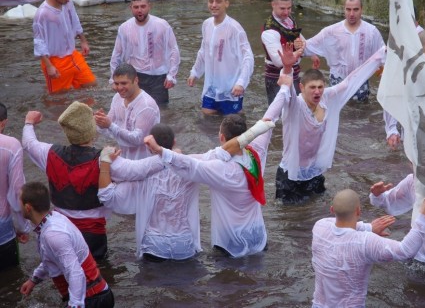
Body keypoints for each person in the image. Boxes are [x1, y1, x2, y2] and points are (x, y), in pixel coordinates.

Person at [142, 44, 300, 257]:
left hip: (230, 242)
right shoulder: (257, 150)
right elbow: (270, 116)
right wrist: (285, 78)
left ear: (222, 137)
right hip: (257, 236)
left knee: (229, 286)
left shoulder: (220, 169)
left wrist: (161, 152)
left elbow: (190, 166)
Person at [272, 45, 386, 204]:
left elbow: (349, 82)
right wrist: (287, 67)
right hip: (290, 172)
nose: (317, 92)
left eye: (320, 87)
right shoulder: (294, 105)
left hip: (315, 170)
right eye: (312, 87)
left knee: (317, 209)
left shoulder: (327, 97)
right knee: (291, 219)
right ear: (302, 87)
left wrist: (380, 55)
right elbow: (287, 87)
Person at [311, 189, 425, 307]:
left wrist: (369, 228)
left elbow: (336, 223)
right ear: (358, 211)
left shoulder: (319, 227)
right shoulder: (364, 242)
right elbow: (405, 251)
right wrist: (423, 217)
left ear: (332, 210)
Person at [97, 123, 202, 261]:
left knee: (150, 281)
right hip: (184, 244)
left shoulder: (142, 176)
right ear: (174, 142)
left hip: (154, 245)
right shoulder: (190, 169)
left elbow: (107, 196)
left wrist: (105, 164)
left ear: (148, 146)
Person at [22, 101, 111, 260]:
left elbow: (29, 143)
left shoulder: (50, 154)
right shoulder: (105, 160)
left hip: (61, 231)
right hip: (93, 235)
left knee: (65, 273)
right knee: (98, 274)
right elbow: (138, 171)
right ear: (92, 131)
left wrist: (29, 123)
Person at [19, 182, 114, 308]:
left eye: (18, 202)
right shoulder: (52, 220)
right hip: (94, 296)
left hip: (92, 300)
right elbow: (51, 257)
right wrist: (34, 279)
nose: (17, 206)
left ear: (28, 207)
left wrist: (74, 305)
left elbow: (75, 272)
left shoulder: (53, 234)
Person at [304, 0, 385, 102]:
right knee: (336, 112)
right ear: (344, 10)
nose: (351, 14)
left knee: (359, 113)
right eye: (348, 9)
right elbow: (307, 46)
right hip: (337, 80)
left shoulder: (372, 32)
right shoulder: (331, 31)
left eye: (355, 10)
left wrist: (385, 73)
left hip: (360, 81)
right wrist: (295, 43)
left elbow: (384, 55)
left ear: (361, 10)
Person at [188, 0, 254, 115]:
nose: (214, 5)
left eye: (218, 1)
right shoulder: (206, 25)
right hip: (211, 86)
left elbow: (248, 57)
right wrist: (195, 72)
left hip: (230, 86)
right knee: (207, 115)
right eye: (211, 1)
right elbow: (203, 51)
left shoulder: (235, 28)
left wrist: (241, 82)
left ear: (226, 3)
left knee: (233, 122)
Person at [110, 0, 181, 104]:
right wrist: (113, 79)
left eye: (143, 6)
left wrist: (171, 75)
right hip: (135, 76)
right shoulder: (125, 28)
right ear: (131, 8)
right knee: (133, 107)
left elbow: (174, 50)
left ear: (149, 6)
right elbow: (117, 54)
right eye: (136, 7)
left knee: (161, 112)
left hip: (158, 77)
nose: (139, 10)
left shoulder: (162, 25)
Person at [32, 0, 97, 94]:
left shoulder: (68, 3)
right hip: (55, 60)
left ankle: (85, 110)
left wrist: (83, 40)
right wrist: (49, 66)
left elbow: (75, 20)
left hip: (73, 55)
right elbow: (39, 42)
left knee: (91, 86)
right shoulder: (42, 14)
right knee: (58, 98)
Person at [95, 63, 160, 160]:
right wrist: (100, 122)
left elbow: (137, 139)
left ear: (136, 80)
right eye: (116, 83)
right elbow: (110, 131)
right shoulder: (117, 98)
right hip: (123, 157)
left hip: (145, 162)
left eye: (124, 83)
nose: (119, 88)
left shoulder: (147, 105)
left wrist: (110, 125)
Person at [0, 102, 31, 270]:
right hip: (2, 229)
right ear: (3, 122)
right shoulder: (11, 145)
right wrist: (22, 228)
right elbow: (17, 191)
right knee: (11, 280)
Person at [261, 0, 305, 103]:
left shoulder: (289, 20)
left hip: (294, 74)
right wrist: (300, 50)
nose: (286, 12)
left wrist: (303, 46)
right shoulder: (269, 31)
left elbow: (301, 39)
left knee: (297, 112)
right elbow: (278, 61)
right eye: (282, 9)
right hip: (276, 78)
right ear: (273, 5)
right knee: (278, 115)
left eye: (289, 8)